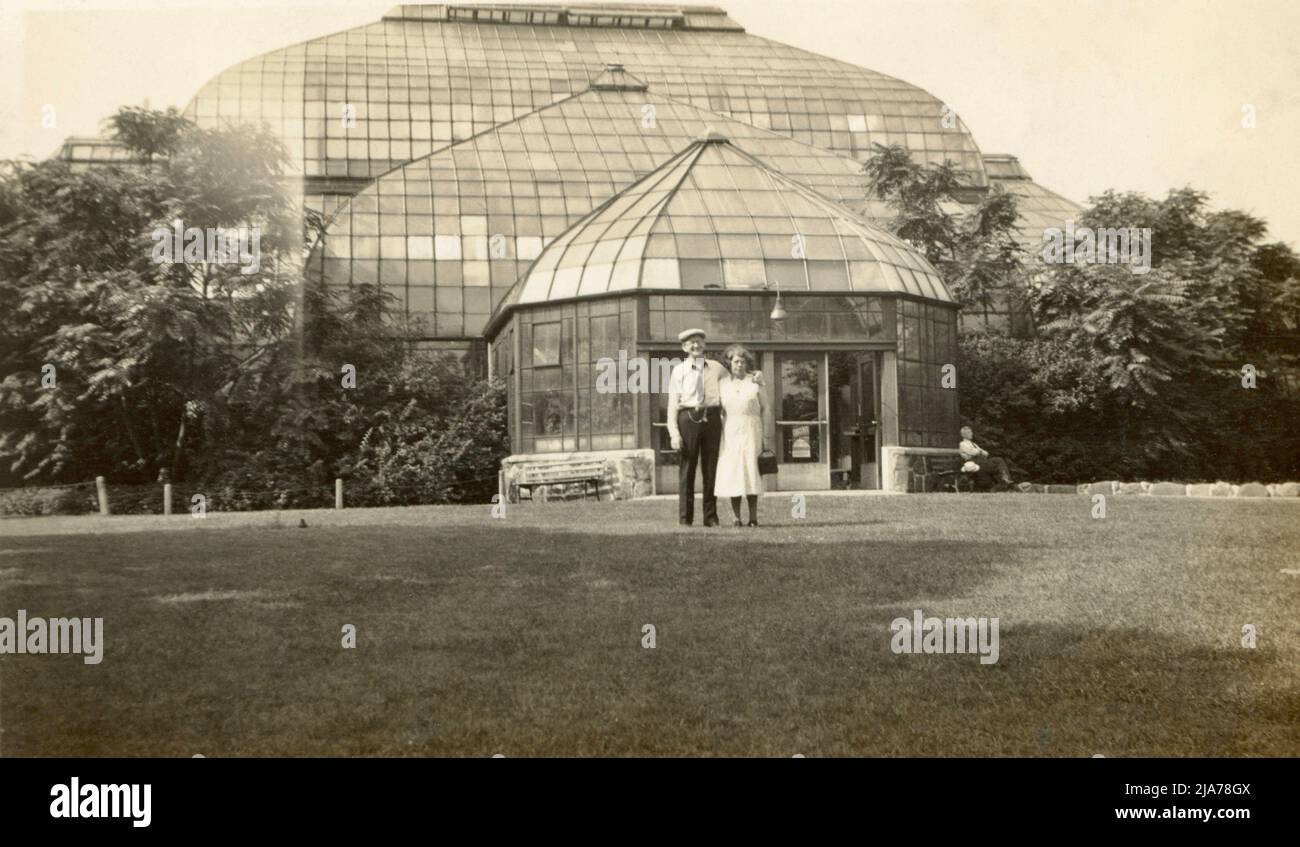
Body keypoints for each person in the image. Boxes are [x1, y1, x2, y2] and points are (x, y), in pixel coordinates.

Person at [667, 329, 726, 526]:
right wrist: (674, 434)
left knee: (711, 469)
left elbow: (734, 383)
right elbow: (672, 405)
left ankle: (710, 517)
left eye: (699, 341)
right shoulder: (678, 370)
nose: (696, 345)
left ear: (705, 344)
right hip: (688, 418)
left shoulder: (717, 368)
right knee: (687, 469)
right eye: (691, 343)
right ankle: (685, 518)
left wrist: (756, 376)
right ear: (684, 347)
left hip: (711, 418)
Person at [714, 344, 766, 526]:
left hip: (752, 429)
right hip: (731, 431)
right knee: (734, 473)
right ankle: (736, 518)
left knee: (751, 471)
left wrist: (766, 434)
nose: (739, 365)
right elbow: (718, 408)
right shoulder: (722, 384)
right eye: (736, 361)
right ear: (729, 363)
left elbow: (766, 408)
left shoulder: (756, 381)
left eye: (743, 361)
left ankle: (753, 518)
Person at [958, 426, 1016, 490]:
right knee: (997, 466)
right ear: (963, 435)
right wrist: (980, 451)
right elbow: (974, 453)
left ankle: (1006, 480)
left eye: (971, 432)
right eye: (968, 432)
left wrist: (979, 451)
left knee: (999, 460)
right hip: (974, 463)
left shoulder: (973, 443)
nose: (971, 434)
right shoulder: (962, 444)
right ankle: (1004, 482)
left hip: (981, 461)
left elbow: (986, 453)